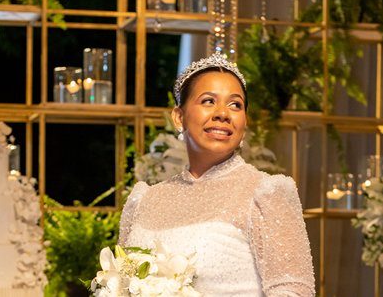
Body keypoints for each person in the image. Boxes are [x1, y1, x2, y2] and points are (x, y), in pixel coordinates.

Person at [118, 53, 315, 296]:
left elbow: (293, 291)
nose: (223, 113)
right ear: (179, 117)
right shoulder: (145, 200)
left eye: (235, 105)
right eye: (208, 101)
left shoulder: (265, 194)